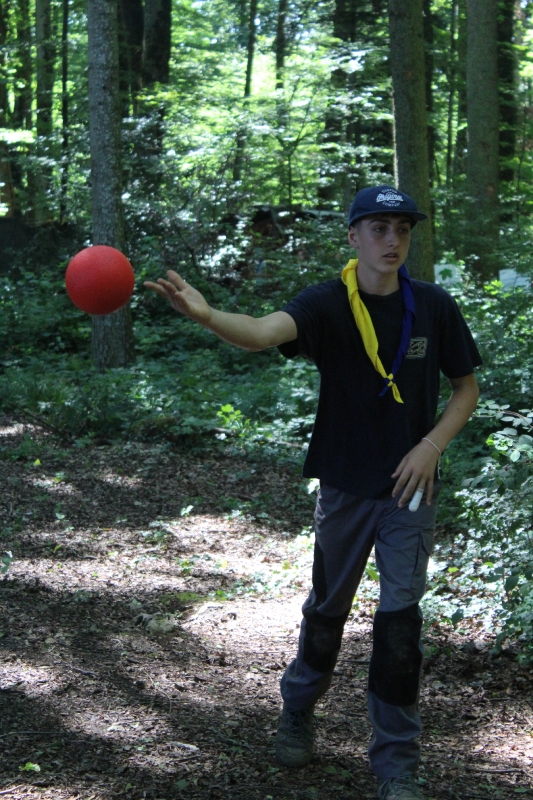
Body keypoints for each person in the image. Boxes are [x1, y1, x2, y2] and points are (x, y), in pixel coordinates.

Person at [145, 185, 482, 800]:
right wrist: (207, 315)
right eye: (378, 228)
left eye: (402, 229)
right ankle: (298, 706)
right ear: (354, 237)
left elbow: (466, 388)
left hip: (410, 491)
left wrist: (431, 446)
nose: (392, 240)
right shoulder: (327, 303)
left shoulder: (433, 305)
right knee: (327, 611)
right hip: (345, 486)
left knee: (400, 626)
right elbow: (260, 332)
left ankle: (397, 764)